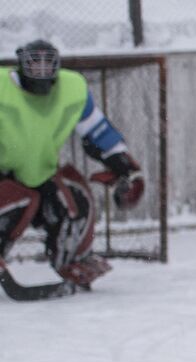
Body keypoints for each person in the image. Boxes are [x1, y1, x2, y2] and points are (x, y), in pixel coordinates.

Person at [0, 39, 145, 290]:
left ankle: (72, 261)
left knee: (74, 201)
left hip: (40, 172)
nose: (42, 73)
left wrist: (125, 169)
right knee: (13, 199)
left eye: (48, 66)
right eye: (36, 66)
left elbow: (98, 131)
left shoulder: (72, 89)